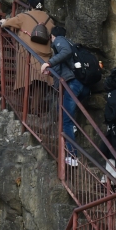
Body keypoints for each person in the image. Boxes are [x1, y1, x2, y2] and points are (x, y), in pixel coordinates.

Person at [0, 0, 55, 114]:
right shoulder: (49, 19)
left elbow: (7, 23)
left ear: (30, 5)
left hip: (28, 53)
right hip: (44, 55)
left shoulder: (24, 16)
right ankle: (35, 108)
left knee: (24, 78)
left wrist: (4, 22)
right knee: (40, 81)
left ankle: (23, 107)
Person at [40, 25, 82, 164]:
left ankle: (72, 156)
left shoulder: (59, 40)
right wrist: (51, 71)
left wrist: (48, 63)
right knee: (62, 111)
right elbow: (63, 64)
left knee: (65, 120)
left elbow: (66, 51)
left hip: (72, 83)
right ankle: (72, 127)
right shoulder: (69, 42)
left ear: (52, 36)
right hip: (76, 83)